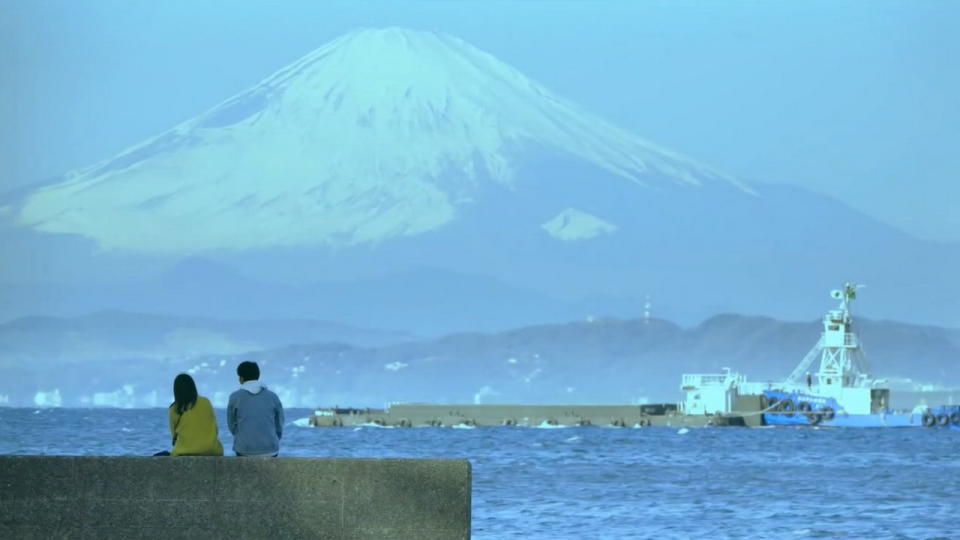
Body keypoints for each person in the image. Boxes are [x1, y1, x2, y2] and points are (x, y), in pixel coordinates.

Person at [227, 361, 284, 457]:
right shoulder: (273, 397)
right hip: (270, 449)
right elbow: (279, 424)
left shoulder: (235, 397)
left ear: (241, 378)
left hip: (244, 450)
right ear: (258, 376)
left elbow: (232, 425)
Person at [159, 373, 224, 456]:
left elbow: (174, 435)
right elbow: (215, 428)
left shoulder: (175, 408)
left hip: (184, 451)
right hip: (212, 449)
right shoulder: (206, 402)